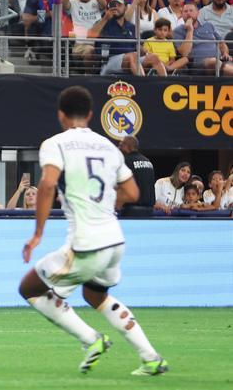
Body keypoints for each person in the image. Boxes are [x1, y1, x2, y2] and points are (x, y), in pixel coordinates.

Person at [19, 85, 169, 377]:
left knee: (29, 288)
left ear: (61, 115)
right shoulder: (108, 146)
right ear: (90, 115)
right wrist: (107, 202)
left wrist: (38, 233)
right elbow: (132, 191)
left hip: (86, 243)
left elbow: (48, 184)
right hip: (115, 239)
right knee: (95, 294)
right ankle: (150, 357)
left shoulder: (55, 143)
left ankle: (91, 339)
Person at [89, 0, 166, 76]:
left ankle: (165, 85)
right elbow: (90, 36)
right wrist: (105, 19)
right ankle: (143, 84)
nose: (115, 7)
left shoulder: (131, 26)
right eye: (113, 5)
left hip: (133, 59)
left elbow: (136, 47)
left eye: (119, 5)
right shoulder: (104, 22)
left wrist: (143, 50)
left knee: (154, 57)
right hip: (109, 61)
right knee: (132, 56)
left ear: (125, 8)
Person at [173, 2, 233, 75]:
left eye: (191, 11)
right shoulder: (178, 31)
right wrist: (190, 31)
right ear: (182, 15)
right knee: (213, 62)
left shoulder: (208, 25)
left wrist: (225, 53)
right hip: (198, 65)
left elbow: (221, 43)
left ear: (198, 13)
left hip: (219, 60)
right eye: (185, 11)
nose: (188, 13)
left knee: (221, 63)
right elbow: (185, 53)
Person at [64, 0, 106, 73]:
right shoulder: (73, 3)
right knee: (89, 51)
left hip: (99, 44)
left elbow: (104, 4)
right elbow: (63, 3)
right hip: (80, 45)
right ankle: (88, 76)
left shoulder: (96, 2)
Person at [118, 136, 156, 216]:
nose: (119, 147)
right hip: (149, 211)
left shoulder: (125, 161)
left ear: (127, 146)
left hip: (130, 211)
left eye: (121, 145)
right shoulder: (147, 161)